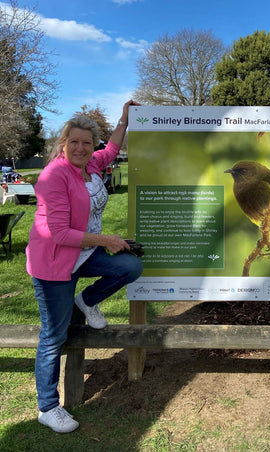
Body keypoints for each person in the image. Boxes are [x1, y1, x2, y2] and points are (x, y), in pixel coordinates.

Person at [26, 100, 143, 433]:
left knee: (129, 268)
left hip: (85, 253)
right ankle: (48, 407)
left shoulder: (92, 164)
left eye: (86, 143)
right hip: (53, 263)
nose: (80, 148)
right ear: (63, 144)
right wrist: (105, 239)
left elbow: (114, 147)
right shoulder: (53, 175)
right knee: (54, 335)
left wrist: (123, 119)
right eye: (73, 142)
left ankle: (87, 301)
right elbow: (58, 233)